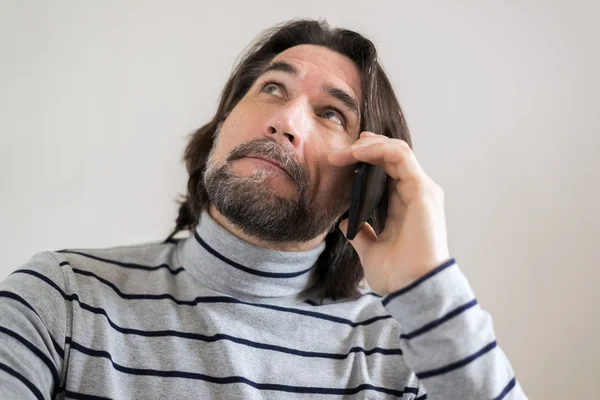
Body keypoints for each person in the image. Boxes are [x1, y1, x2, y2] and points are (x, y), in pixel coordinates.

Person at [0, 19, 527, 399]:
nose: (287, 121)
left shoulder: (403, 360)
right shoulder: (60, 300)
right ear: (220, 128)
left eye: (331, 114)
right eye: (273, 87)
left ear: (363, 183)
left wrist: (427, 288)